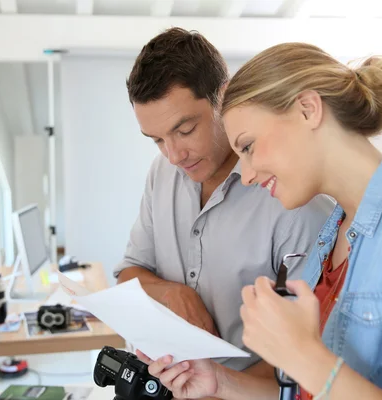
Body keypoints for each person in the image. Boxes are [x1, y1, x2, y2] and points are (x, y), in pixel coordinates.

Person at [139, 42, 382, 400]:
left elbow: (317, 373)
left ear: (307, 109)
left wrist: (305, 356)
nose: (247, 175)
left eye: (249, 146)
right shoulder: (327, 239)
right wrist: (220, 381)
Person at [115, 29, 333, 378]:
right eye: (157, 140)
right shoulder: (162, 173)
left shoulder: (297, 201)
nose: (173, 155)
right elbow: (129, 274)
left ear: (224, 96)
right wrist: (172, 293)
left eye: (185, 130)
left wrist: (221, 389)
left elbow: (310, 350)